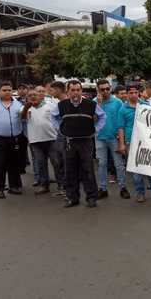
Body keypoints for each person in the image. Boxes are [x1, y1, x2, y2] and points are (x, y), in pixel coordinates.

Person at [51, 80, 106, 208]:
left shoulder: (90, 104)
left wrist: (96, 129)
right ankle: (72, 198)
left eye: (78, 90)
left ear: (81, 91)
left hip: (86, 141)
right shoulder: (61, 105)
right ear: (68, 91)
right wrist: (60, 129)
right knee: (70, 170)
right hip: (69, 141)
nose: (75, 92)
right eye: (72, 90)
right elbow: (53, 117)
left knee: (87, 170)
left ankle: (91, 197)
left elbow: (103, 116)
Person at [118, 84, 151, 203]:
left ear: (139, 93)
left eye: (135, 92)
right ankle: (140, 193)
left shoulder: (146, 106)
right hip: (131, 142)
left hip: (146, 142)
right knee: (136, 172)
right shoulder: (123, 109)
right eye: (131, 93)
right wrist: (122, 144)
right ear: (127, 94)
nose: (133, 95)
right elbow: (121, 128)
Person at [93, 80, 130, 200]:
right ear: (98, 90)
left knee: (119, 164)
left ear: (110, 89)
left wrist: (121, 138)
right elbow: (92, 120)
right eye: (102, 89)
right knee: (102, 164)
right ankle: (103, 189)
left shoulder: (117, 102)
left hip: (114, 137)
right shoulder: (94, 102)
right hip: (99, 137)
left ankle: (123, 188)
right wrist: (98, 104)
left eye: (107, 89)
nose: (105, 91)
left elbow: (122, 120)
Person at [21, 88, 61, 195]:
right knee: (41, 163)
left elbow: (59, 117)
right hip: (35, 141)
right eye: (30, 95)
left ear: (40, 95)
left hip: (51, 139)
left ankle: (62, 185)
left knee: (56, 162)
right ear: (27, 98)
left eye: (35, 94)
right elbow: (22, 118)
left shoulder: (50, 105)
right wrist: (26, 107)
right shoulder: (25, 108)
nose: (33, 96)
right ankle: (44, 185)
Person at [48, 81, 67, 196]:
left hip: (65, 136)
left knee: (65, 162)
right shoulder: (57, 103)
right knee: (59, 162)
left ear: (59, 90)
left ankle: (67, 188)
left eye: (52, 90)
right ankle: (63, 187)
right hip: (59, 136)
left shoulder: (66, 102)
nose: (51, 92)